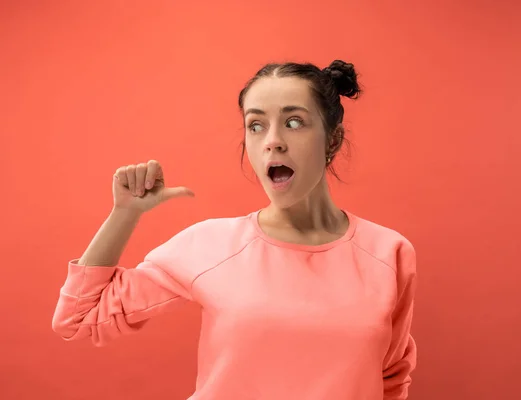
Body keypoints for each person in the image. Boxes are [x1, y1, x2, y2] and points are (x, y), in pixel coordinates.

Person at [52, 60, 418, 400]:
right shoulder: (211, 245)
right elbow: (78, 319)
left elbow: (391, 378)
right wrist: (124, 214)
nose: (272, 140)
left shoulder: (388, 252)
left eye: (294, 122)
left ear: (332, 140)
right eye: (256, 125)